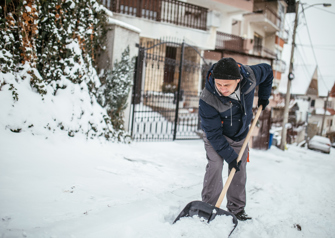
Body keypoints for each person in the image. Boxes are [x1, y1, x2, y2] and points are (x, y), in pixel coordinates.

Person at [199, 57, 273, 221]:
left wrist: (263, 96)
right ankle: (209, 207)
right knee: (215, 165)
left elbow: (267, 71)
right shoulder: (208, 99)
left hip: (240, 135)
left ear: (238, 80)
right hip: (216, 137)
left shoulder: (251, 76)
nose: (222, 89)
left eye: (227, 85)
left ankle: (237, 209)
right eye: (219, 84)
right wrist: (230, 157)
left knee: (239, 170)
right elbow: (214, 135)